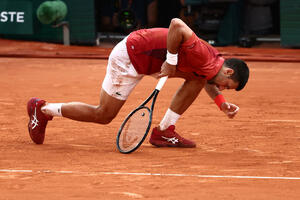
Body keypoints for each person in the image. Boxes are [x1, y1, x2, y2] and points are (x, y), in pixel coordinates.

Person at [27, 18, 249, 148]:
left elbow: (206, 80)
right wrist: (171, 62)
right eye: (226, 85)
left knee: (196, 80)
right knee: (103, 115)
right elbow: (177, 24)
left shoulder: (211, 66)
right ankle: (44, 109)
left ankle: (164, 131)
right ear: (228, 71)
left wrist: (221, 103)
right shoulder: (203, 53)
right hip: (131, 56)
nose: (221, 88)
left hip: (152, 61)